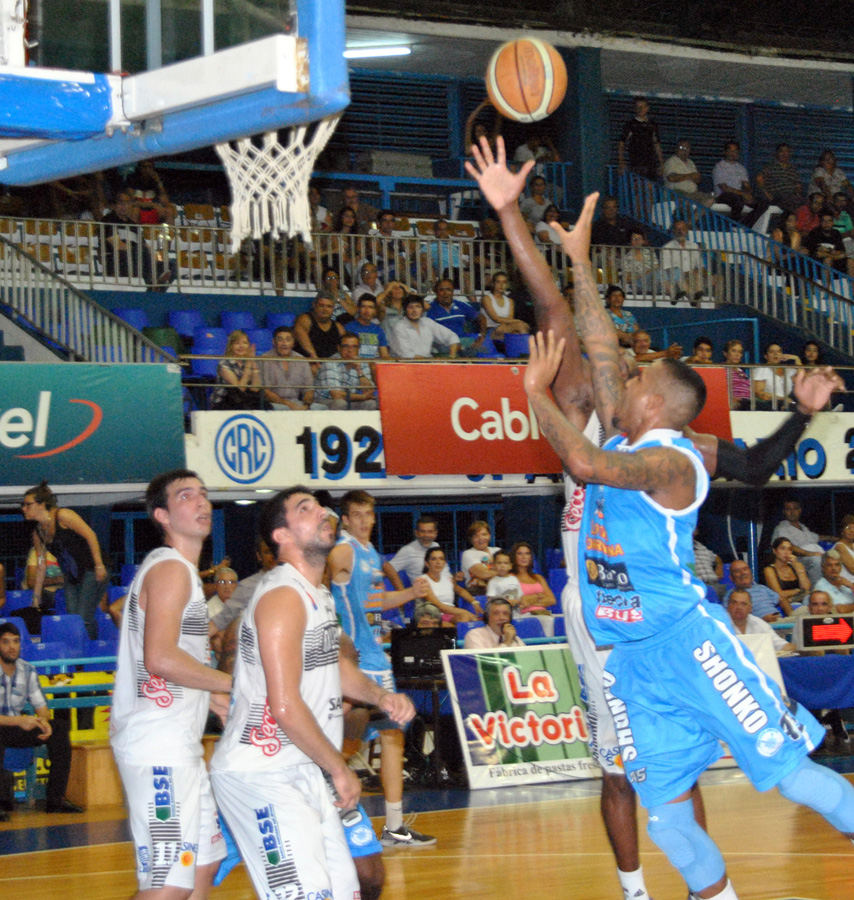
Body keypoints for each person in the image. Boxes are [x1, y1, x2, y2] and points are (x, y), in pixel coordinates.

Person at [466, 136, 845, 900]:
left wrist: (535, 394)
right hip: (627, 651)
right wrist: (570, 253)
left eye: (636, 379)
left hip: (684, 639)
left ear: (657, 404)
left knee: (792, 776)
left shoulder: (671, 458)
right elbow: (593, 336)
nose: (623, 375)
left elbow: (588, 465)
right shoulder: (625, 423)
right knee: (667, 817)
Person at [210, 487, 414, 900]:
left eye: (321, 506)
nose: (322, 512)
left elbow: (333, 665)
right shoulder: (282, 596)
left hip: (302, 766)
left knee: (349, 889)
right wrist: (339, 769)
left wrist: (379, 695)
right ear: (282, 536)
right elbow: (284, 705)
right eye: (305, 509)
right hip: (263, 772)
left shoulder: (316, 594)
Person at [110, 470, 232, 900]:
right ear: (161, 515)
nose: (201, 502)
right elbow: (160, 658)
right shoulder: (171, 570)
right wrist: (238, 684)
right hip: (157, 745)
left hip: (179, 742)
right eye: (186, 496)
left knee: (205, 865)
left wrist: (212, 693)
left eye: (204, 494)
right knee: (167, 887)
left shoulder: (180, 573)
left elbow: (171, 655)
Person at [325, 489, 436, 847]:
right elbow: (317, 578)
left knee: (392, 737)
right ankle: (317, 805)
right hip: (354, 660)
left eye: (368, 514)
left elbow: (375, 601)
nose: (363, 520)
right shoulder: (343, 550)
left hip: (375, 656)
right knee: (347, 740)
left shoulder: (370, 553)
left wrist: (411, 594)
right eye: (356, 515)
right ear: (345, 519)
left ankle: (394, 826)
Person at [0, 622, 81, 820]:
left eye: (16, 642)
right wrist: (20, 721)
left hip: (17, 728)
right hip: (4, 726)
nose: (12, 647)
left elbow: (41, 707)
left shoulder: (27, 670)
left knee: (59, 728)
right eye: (6, 642)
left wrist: (44, 723)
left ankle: (55, 800)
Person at [23, 481, 108, 639]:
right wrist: (36, 596)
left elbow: (91, 535)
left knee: (84, 616)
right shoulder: (38, 532)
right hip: (71, 574)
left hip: (92, 568)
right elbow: (41, 565)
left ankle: (90, 649)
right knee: (73, 617)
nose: (24, 508)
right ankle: (80, 649)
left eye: (28, 504)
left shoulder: (63, 515)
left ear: (42, 504)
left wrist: (99, 565)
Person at [771, 498, 831, 583]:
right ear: (784, 512)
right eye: (789, 509)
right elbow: (791, 548)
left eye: (795, 508)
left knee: (834, 558)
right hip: (798, 559)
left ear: (800, 510)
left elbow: (818, 537)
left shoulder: (803, 527)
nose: (792, 512)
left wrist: (837, 538)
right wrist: (811, 554)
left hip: (814, 555)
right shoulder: (781, 528)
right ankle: (817, 588)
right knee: (816, 560)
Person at [258, 326, 317, 410]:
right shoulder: (264, 359)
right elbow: (265, 392)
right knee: (283, 409)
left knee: (321, 408)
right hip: (274, 403)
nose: (284, 343)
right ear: (274, 342)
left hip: (297, 402)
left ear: (293, 343)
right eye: (280, 340)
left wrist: (306, 405)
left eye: (288, 340)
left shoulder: (301, 359)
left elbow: (309, 389)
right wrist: (289, 404)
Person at [315, 332, 378, 411]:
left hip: (350, 400)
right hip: (325, 401)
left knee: (371, 403)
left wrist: (359, 371)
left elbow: (369, 391)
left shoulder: (362, 362)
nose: (350, 350)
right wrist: (362, 397)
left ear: (359, 349)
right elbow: (336, 394)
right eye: (346, 346)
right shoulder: (330, 363)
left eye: (354, 347)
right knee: (340, 403)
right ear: (339, 348)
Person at [711, 140, 769, 226]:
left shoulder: (741, 168)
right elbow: (724, 188)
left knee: (763, 204)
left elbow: (746, 185)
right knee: (737, 201)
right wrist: (742, 194)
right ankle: (734, 225)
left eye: (735, 151)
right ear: (725, 152)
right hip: (723, 196)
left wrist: (748, 194)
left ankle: (744, 225)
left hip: (739, 194)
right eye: (730, 150)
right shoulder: (719, 166)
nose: (733, 153)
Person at [419, 546, 481, 623]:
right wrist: (465, 612)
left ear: (444, 563)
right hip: (432, 616)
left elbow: (460, 591)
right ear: (427, 563)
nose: (438, 562)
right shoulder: (422, 580)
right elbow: (440, 607)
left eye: (441, 559)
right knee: (465, 617)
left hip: (450, 614)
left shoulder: (448, 578)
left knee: (465, 618)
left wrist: (474, 602)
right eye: (434, 559)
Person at [383, 514, 445, 591]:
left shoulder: (436, 546)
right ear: (416, 533)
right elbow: (388, 570)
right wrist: (401, 591)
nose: (426, 535)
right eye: (422, 531)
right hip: (423, 596)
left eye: (430, 532)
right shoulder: (408, 550)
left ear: (435, 533)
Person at [388, 295, 460, 359]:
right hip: (404, 365)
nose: (414, 310)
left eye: (418, 306)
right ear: (405, 310)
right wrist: (431, 362)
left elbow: (452, 336)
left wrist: (452, 356)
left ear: (422, 310)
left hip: (427, 363)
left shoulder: (427, 322)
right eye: (410, 307)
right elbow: (406, 355)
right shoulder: (399, 327)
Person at [510, 540, 557, 636]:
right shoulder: (510, 577)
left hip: (541, 612)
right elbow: (520, 602)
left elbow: (552, 600)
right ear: (514, 556)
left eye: (527, 553)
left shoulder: (538, 577)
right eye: (520, 554)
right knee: (548, 620)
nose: (524, 557)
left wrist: (531, 601)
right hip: (521, 614)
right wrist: (539, 596)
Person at [725, 589, 794, 654]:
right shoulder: (720, 624)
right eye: (734, 603)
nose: (738, 607)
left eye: (743, 604)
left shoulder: (758, 623)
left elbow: (781, 645)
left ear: (750, 608)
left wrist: (794, 648)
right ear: (728, 606)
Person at [211, 329, 261, 411]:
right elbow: (239, 390)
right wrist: (249, 363)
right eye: (237, 343)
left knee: (264, 405)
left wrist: (254, 365)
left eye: (244, 343)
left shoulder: (248, 362)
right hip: (225, 402)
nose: (241, 346)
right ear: (231, 346)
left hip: (245, 400)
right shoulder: (224, 364)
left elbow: (255, 389)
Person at [617, 97, 662, 180]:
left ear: (647, 108)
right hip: (636, 161)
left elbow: (656, 144)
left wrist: (661, 162)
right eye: (638, 107)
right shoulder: (631, 124)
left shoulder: (652, 124)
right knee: (638, 184)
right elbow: (621, 143)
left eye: (643, 106)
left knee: (650, 185)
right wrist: (621, 162)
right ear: (635, 109)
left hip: (650, 162)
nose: (641, 109)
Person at [294, 293, 347, 361]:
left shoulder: (338, 326)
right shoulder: (305, 319)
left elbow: (346, 346)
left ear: (333, 308)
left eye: (329, 306)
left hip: (332, 365)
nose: (325, 309)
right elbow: (303, 340)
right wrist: (315, 359)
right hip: (307, 363)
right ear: (314, 305)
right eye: (321, 305)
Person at [480, 270, 530, 340]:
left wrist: (517, 323)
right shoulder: (486, 299)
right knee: (519, 326)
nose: (501, 285)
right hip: (490, 330)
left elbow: (510, 319)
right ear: (493, 284)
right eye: (498, 282)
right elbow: (496, 319)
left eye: (504, 282)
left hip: (505, 328)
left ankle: (524, 345)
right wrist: (519, 321)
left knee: (517, 331)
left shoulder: (510, 301)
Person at [803, 209, 854, 277]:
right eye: (824, 221)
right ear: (820, 222)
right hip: (819, 263)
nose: (827, 224)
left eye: (829, 221)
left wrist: (828, 251)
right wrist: (833, 253)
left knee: (851, 261)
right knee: (828, 260)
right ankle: (826, 284)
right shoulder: (815, 233)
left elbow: (841, 252)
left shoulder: (836, 233)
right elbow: (818, 253)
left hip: (835, 261)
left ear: (833, 222)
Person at [662, 139, 714, 206]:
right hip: (676, 192)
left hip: (692, 193)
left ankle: (695, 213)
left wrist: (697, 177)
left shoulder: (691, 163)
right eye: (681, 147)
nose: (684, 150)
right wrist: (690, 176)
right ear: (676, 149)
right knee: (687, 201)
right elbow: (671, 178)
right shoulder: (671, 161)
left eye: (687, 148)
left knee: (710, 199)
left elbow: (697, 180)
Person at [756, 143, 804, 212]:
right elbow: (759, 178)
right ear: (777, 153)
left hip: (791, 196)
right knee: (789, 202)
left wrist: (798, 193)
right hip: (777, 195)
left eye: (786, 151)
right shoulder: (771, 166)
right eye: (781, 151)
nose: (784, 154)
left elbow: (798, 185)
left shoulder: (792, 169)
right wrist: (767, 194)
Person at [752, 342, 800, 409]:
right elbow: (758, 393)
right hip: (770, 405)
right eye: (772, 352)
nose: (775, 354)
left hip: (788, 404)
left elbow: (802, 378)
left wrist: (796, 358)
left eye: (778, 351)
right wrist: (782, 399)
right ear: (766, 356)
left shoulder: (788, 370)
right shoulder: (762, 369)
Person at [460, 520, 500, 595]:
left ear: (489, 536)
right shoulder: (468, 554)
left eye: (484, 534)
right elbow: (484, 574)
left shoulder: (498, 550)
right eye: (476, 536)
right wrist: (503, 571)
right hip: (481, 593)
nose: (481, 538)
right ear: (471, 539)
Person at [348, 295, 390, 359]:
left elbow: (385, 355)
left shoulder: (379, 330)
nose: (367, 310)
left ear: (375, 310)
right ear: (358, 309)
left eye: (370, 307)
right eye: (363, 307)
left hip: (375, 364)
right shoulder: (349, 328)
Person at [723, 339, 752, 410]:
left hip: (748, 401)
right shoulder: (721, 370)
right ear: (725, 353)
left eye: (740, 352)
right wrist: (729, 398)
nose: (737, 355)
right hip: (733, 403)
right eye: (734, 351)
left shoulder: (742, 372)